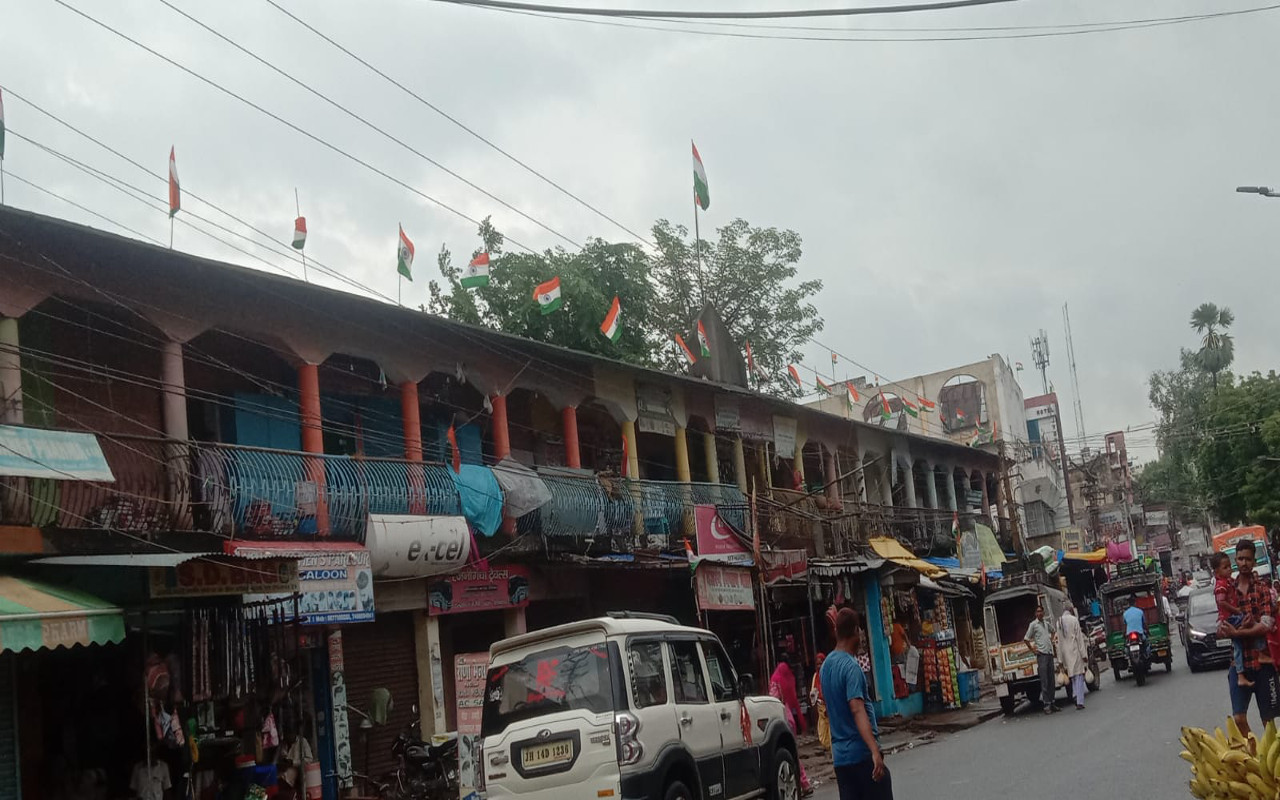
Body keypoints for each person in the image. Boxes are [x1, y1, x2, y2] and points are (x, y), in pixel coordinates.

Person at [821, 607, 892, 800]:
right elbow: (857, 709)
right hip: (861, 756)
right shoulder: (851, 667)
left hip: (841, 760)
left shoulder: (825, 666)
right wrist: (874, 750)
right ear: (855, 631)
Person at [1220, 538, 1279, 737]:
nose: (1244, 563)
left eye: (1248, 559)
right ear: (1235, 560)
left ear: (1254, 561)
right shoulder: (1228, 590)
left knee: (1268, 722)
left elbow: (1266, 625)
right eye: (1240, 559)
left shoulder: (1262, 589)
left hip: (1262, 664)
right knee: (1238, 719)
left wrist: (1238, 633)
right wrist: (1225, 629)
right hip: (1238, 665)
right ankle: (1254, 752)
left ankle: (1271, 754)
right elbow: (1222, 623)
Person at [1212, 552, 1258, 687]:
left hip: (1231, 618)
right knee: (1250, 626)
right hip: (1230, 618)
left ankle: (1241, 674)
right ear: (1217, 571)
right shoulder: (1221, 584)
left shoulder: (1230, 581)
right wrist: (1237, 610)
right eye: (1225, 568)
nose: (1229, 570)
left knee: (1238, 644)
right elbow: (1221, 602)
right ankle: (1241, 673)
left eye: (1230, 566)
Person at [769, 661, 812, 794]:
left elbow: (773, 698)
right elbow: (795, 703)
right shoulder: (788, 680)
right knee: (794, 754)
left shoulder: (775, 680)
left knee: (789, 756)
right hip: (789, 720)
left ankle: (802, 784)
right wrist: (802, 724)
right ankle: (804, 783)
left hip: (781, 719)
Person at [1024, 605, 1058, 714]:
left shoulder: (1046, 624)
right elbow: (1026, 639)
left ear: (1043, 613)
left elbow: (1053, 631)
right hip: (1041, 655)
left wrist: (1051, 641)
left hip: (1049, 654)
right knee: (1044, 681)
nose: (1039, 613)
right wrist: (1033, 650)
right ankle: (1047, 704)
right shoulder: (1033, 625)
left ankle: (1052, 702)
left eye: (1041, 611)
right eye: (1037, 611)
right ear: (1035, 613)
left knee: (1051, 680)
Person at [1059, 602, 1090, 710]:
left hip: (1065, 653)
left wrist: (1060, 659)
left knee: (1072, 676)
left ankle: (1075, 695)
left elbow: (1059, 642)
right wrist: (1084, 654)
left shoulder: (1059, 622)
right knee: (1079, 676)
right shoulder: (1073, 620)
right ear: (1071, 609)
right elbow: (1079, 638)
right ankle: (1079, 700)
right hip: (1075, 650)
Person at [810, 652, 831, 751]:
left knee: (830, 728)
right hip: (820, 706)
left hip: (828, 705)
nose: (819, 666)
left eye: (821, 663)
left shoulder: (828, 675)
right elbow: (813, 690)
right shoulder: (815, 676)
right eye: (817, 664)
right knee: (822, 730)